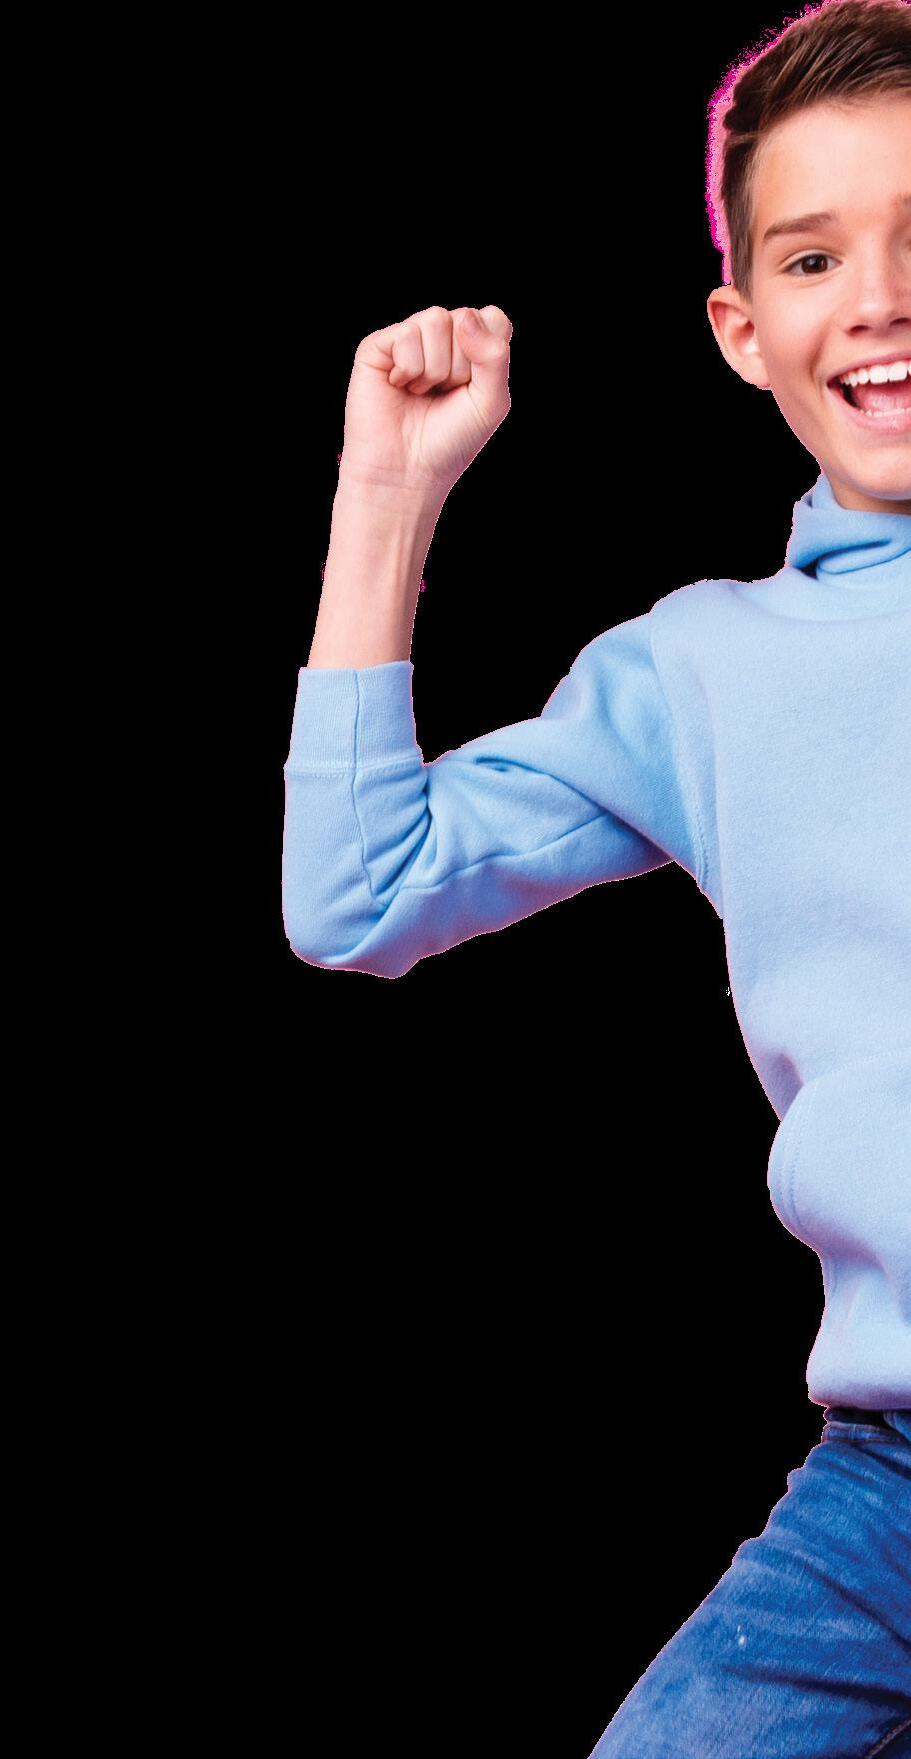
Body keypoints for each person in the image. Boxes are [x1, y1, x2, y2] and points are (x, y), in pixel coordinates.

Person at [282, 0, 911, 1749]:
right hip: (894, 1491)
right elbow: (356, 896)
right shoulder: (702, 673)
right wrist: (386, 496)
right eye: (813, 257)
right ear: (742, 330)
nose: (878, 298)